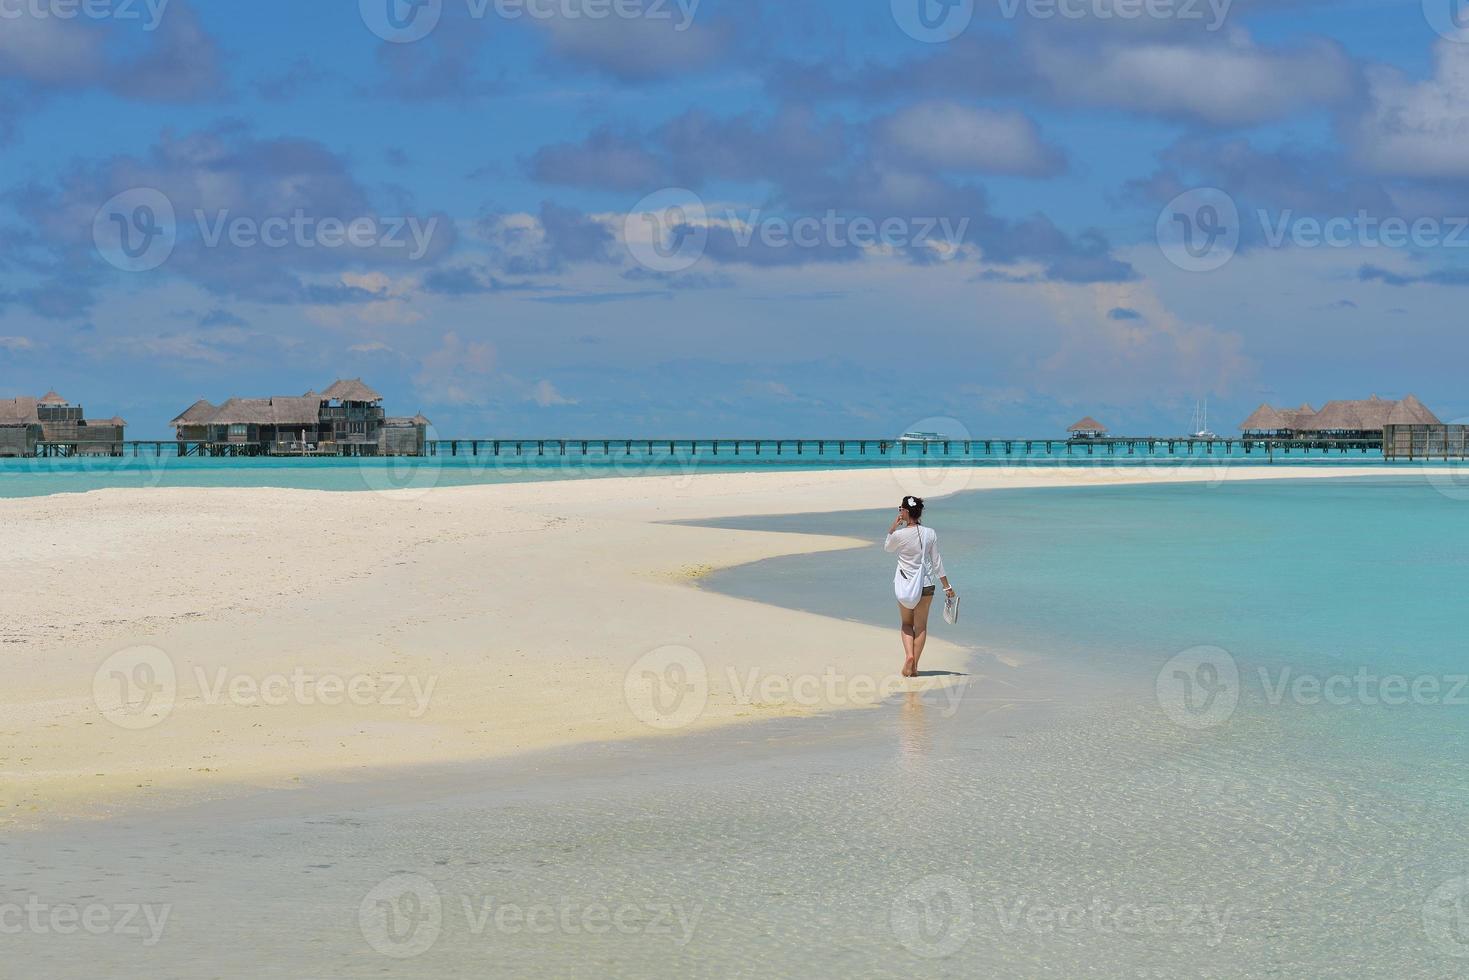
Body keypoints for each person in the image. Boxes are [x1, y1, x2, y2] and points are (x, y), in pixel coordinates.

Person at [885, 495, 956, 678]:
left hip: (906, 585)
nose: (899, 512)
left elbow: (888, 547)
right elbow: (937, 562)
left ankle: (909, 656)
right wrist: (947, 587)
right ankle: (914, 665)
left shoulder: (899, 535)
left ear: (905, 512)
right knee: (921, 626)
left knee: (906, 623)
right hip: (927, 586)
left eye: (900, 509)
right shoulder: (930, 533)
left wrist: (894, 525)